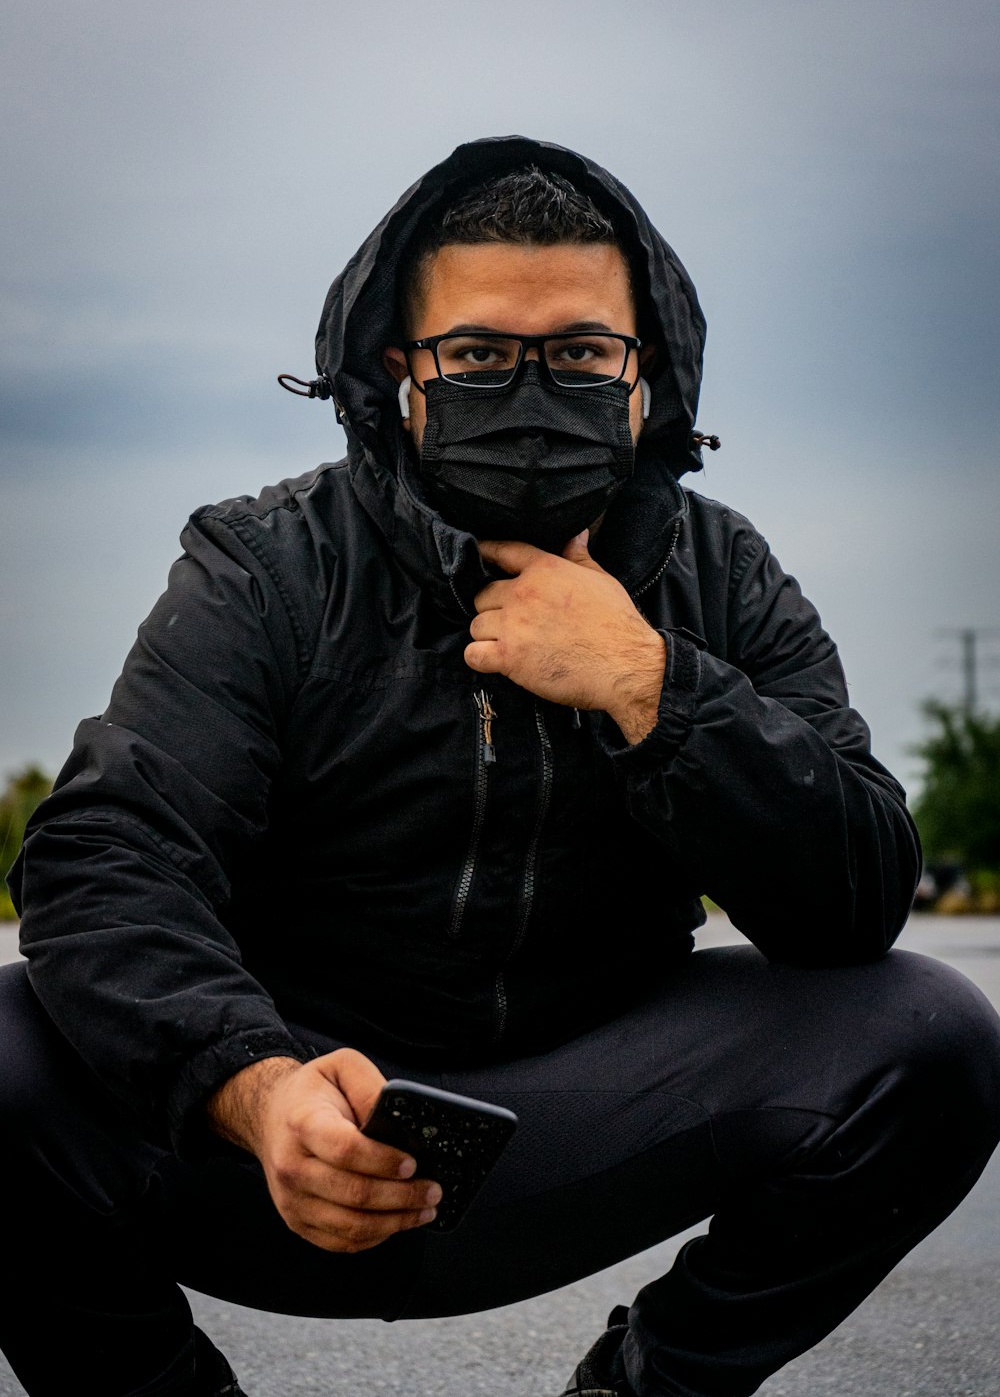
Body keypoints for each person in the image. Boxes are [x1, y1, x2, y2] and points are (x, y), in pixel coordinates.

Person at [4, 136, 1000, 1397]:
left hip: (581, 1118)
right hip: (287, 1117)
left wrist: (656, 689)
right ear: (398, 373)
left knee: (931, 1032)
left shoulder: (722, 574)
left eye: (581, 353)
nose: (530, 390)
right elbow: (107, 860)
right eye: (477, 355)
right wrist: (249, 1084)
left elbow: (859, 893)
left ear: (648, 377)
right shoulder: (265, 566)